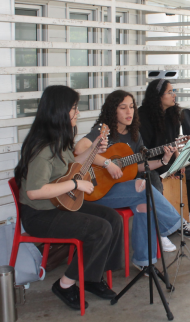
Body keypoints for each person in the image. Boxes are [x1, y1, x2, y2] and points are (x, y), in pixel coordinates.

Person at [14, 85, 122, 311]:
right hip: (40, 214)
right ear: (59, 110)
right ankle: (65, 284)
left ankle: (91, 277)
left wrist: (93, 149)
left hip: (59, 205)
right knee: (99, 229)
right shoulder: (42, 147)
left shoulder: (59, 138)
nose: (78, 113)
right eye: (74, 108)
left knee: (113, 219)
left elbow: (74, 164)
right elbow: (34, 191)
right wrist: (74, 183)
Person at [74, 90, 181, 268]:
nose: (129, 112)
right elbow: (79, 149)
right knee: (142, 185)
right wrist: (107, 163)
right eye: (123, 108)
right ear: (112, 111)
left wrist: (163, 160)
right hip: (95, 190)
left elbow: (136, 167)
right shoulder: (104, 130)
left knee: (144, 205)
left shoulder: (134, 136)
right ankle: (175, 224)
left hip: (121, 191)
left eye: (131, 107)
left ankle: (144, 261)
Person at [138, 79, 190, 238]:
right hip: (150, 164)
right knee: (154, 180)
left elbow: (173, 142)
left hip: (168, 160)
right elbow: (144, 152)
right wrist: (166, 165)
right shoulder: (142, 117)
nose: (174, 95)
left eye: (174, 91)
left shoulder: (172, 113)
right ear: (158, 96)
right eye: (170, 92)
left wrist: (179, 162)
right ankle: (161, 230)